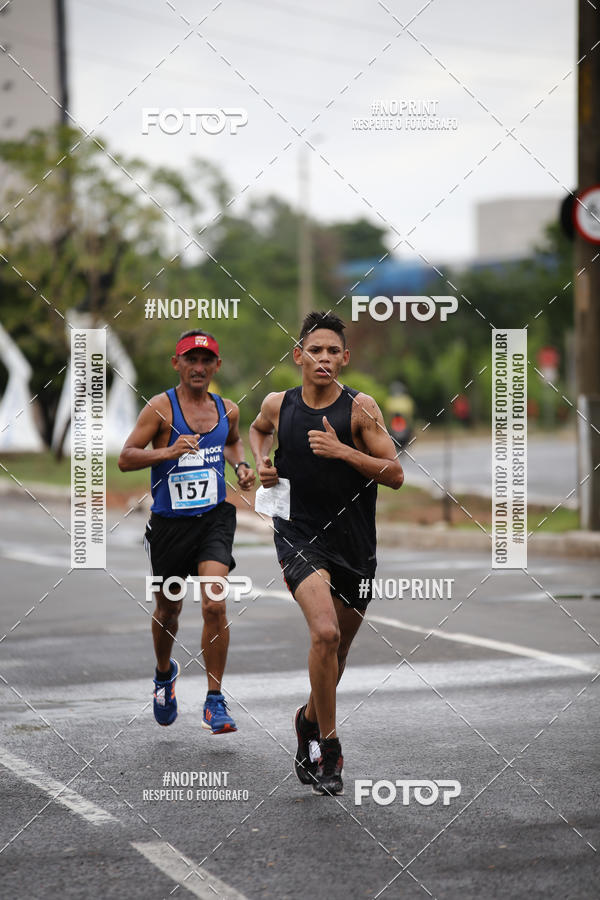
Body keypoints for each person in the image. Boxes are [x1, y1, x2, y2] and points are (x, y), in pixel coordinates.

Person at [249, 311, 404, 795]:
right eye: (315, 350)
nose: (324, 358)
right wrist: (262, 464)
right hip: (299, 534)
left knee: (338, 655)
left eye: (333, 351)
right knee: (325, 632)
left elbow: (395, 473)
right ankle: (329, 750)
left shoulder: (361, 409)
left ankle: (307, 720)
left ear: (345, 359)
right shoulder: (279, 405)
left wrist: (345, 453)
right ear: (299, 355)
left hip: (355, 545)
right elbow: (257, 430)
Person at [118, 330, 255, 733]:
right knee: (169, 610)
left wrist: (241, 467)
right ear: (176, 364)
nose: (198, 368)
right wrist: (168, 451)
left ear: (217, 366)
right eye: (190, 360)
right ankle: (164, 674)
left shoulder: (227, 409)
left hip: (214, 517)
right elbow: (126, 458)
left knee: (214, 604)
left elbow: (231, 442)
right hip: (169, 525)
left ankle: (215, 700)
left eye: (206, 361)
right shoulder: (160, 409)